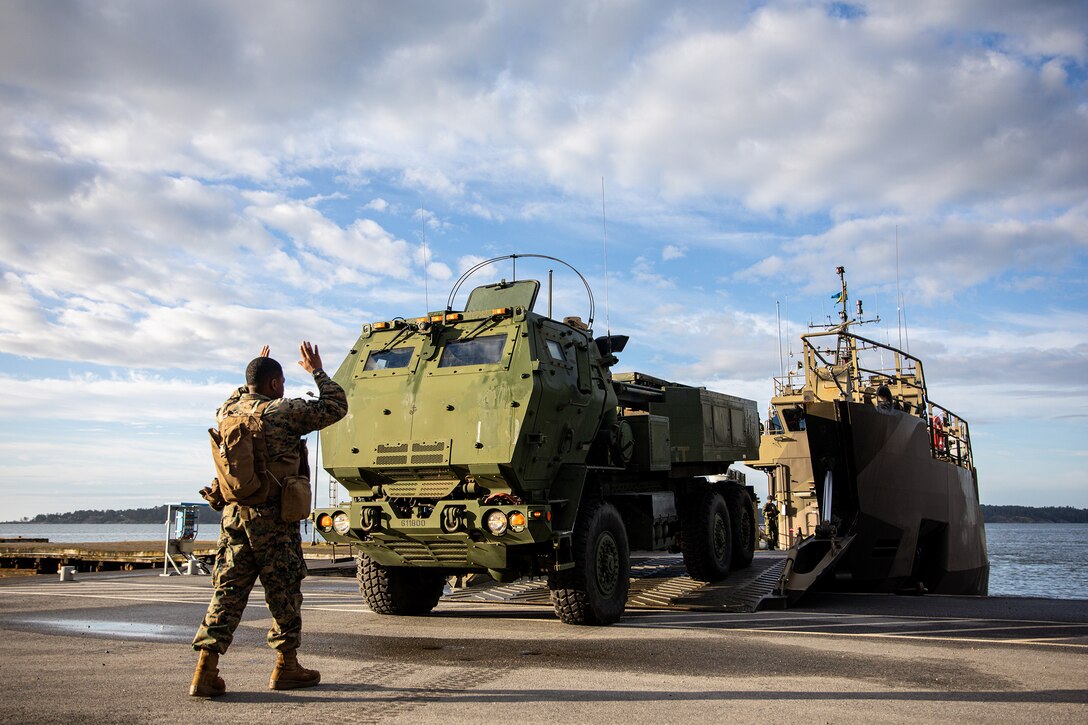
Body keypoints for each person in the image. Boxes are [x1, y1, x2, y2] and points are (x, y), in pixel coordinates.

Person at [190, 342, 348, 698]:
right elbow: (336, 405)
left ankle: (205, 670)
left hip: (234, 518)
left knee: (228, 592)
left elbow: (240, 393)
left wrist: (256, 369)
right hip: (274, 521)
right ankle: (286, 667)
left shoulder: (227, 410)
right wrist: (317, 371)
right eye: (281, 380)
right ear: (276, 384)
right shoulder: (283, 411)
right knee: (284, 592)